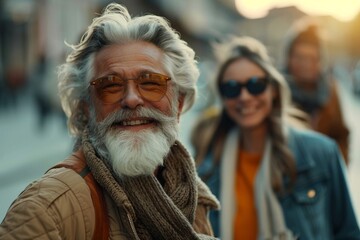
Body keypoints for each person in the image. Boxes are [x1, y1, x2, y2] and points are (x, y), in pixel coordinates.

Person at [0, 3, 219, 239]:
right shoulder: (47, 210)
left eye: (151, 82)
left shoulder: (191, 195)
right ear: (86, 108)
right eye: (111, 85)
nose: (132, 99)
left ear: (177, 104)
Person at [192, 36, 360, 239]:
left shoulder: (322, 154)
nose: (244, 96)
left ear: (273, 90)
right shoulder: (205, 170)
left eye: (255, 84)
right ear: (223, 98)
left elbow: (348, 233)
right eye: (232, 88)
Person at [283, 19, 350, 164]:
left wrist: (336, 166)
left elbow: (341, 134)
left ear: (320, 61)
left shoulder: (330, 91)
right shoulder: (277, 91)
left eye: (311, 58)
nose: (305, 64)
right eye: (300, 57)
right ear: (289, 58)